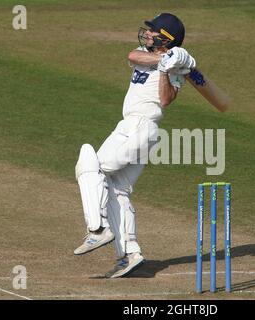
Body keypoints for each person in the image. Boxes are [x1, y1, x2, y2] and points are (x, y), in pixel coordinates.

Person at [73, 13, 196, 278]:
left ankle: (97, 229)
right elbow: (133, 56)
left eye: (153, 31)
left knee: (90, 163)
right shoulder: (148, 53)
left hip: (141, 127)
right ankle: (129, 254)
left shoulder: (176, 68)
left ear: (166, 38)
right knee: (117, 188)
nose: (147, 33)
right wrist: (164, 59)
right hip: (132, 128)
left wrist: (167, 68)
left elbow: (165, 100)